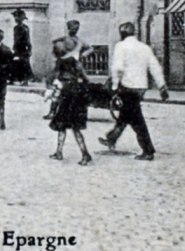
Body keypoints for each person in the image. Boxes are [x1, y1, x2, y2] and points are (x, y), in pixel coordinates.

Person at [99, 21, 169, 160]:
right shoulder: (145, 47)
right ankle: (111, 138)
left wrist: (114, 87)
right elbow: (154, 67)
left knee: (136, 120)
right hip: (141, 87)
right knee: (127, 114)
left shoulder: (121, 46)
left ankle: (148, 150)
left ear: (122, 34)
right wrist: (161, 86)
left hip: (127, 87)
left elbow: (117, 68)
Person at [47, 37, 92, 165]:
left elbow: (51, 77)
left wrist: (51, 87)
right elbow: (85, 78)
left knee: (62, 125)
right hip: (77, 95)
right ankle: (76, 153)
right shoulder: (75, 62)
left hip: (67, 96)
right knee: (75, 127)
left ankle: (77, 154)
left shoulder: (60, 63)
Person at [10, 9, 35, 85]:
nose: (16, 19)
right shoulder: (15, 28)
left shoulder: (25, 28)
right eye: (15, 17)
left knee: (23, 64)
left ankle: (25, 79)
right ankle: (12, 79)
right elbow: (15, 39)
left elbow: (27, 40)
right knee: (14, 63)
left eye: (17, 17)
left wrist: (29, 49)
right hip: (17, 49)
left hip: (23, 49)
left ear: (21, 18)